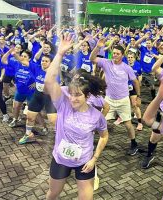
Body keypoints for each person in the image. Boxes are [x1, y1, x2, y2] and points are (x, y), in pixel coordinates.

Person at [44, 33, 109, 200]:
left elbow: (104, 136)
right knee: (52, 194)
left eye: (78, 95)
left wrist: (95, 158)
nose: (73, 98)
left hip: (84, 162)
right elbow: (50, 81)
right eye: (71, 94)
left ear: (87, 96)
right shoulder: (63, 103)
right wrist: (59, 54)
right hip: (60, 159)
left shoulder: (96, 116)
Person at [90, 38, 141, 156]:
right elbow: (92, 59)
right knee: (99, 120)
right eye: (114, 53)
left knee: (128, 124)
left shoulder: (127, 68)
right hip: (109, 100)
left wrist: (138, 96)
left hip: (123, 100)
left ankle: (134, 143)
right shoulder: (106, 63)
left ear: (122, 55)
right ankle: (91, 141)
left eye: (118, 53)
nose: (115, 55)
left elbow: (135, 82)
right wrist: (98, 47)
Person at [18, 55, 57, 144]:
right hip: (37, 96)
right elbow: (23, 61)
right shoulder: (37, 68)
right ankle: (28, 135)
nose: (43, 62)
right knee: (30, 117)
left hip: (49, 98)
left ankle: (64, 137)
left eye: (46, 61)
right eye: (42, 60)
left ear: (51, 63)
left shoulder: (54, 73)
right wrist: (14, 54)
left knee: (53, 121)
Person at [1, 48, 36, 128]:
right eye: (22, 56)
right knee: (16, 106)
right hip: (20, 90)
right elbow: (3, 60)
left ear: (29, 58)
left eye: (25, 56)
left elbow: (41, 74)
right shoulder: (16, 63)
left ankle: (37, 125)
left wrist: (36, 82)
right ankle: (15, 119)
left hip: (31, 91)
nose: (23, 57)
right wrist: (9, 52)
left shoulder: (32, 65)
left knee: (32, 109)